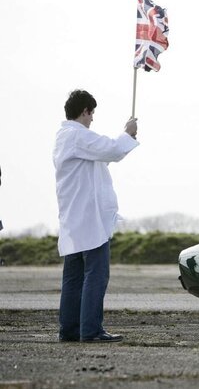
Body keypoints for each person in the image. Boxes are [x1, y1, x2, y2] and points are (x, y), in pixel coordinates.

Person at [53, 90, 139, 343]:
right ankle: (91, 330)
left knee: (73, 278)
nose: (92, 119)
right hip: (90, 220)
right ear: (85, 111)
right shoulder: (77, 136)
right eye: (92, 114)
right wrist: (128, 133)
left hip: (72, 220)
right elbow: (112, 150)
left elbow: (102, 154)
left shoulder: (64, 137)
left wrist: (123, 140)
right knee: (96, 274)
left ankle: (69, 330)